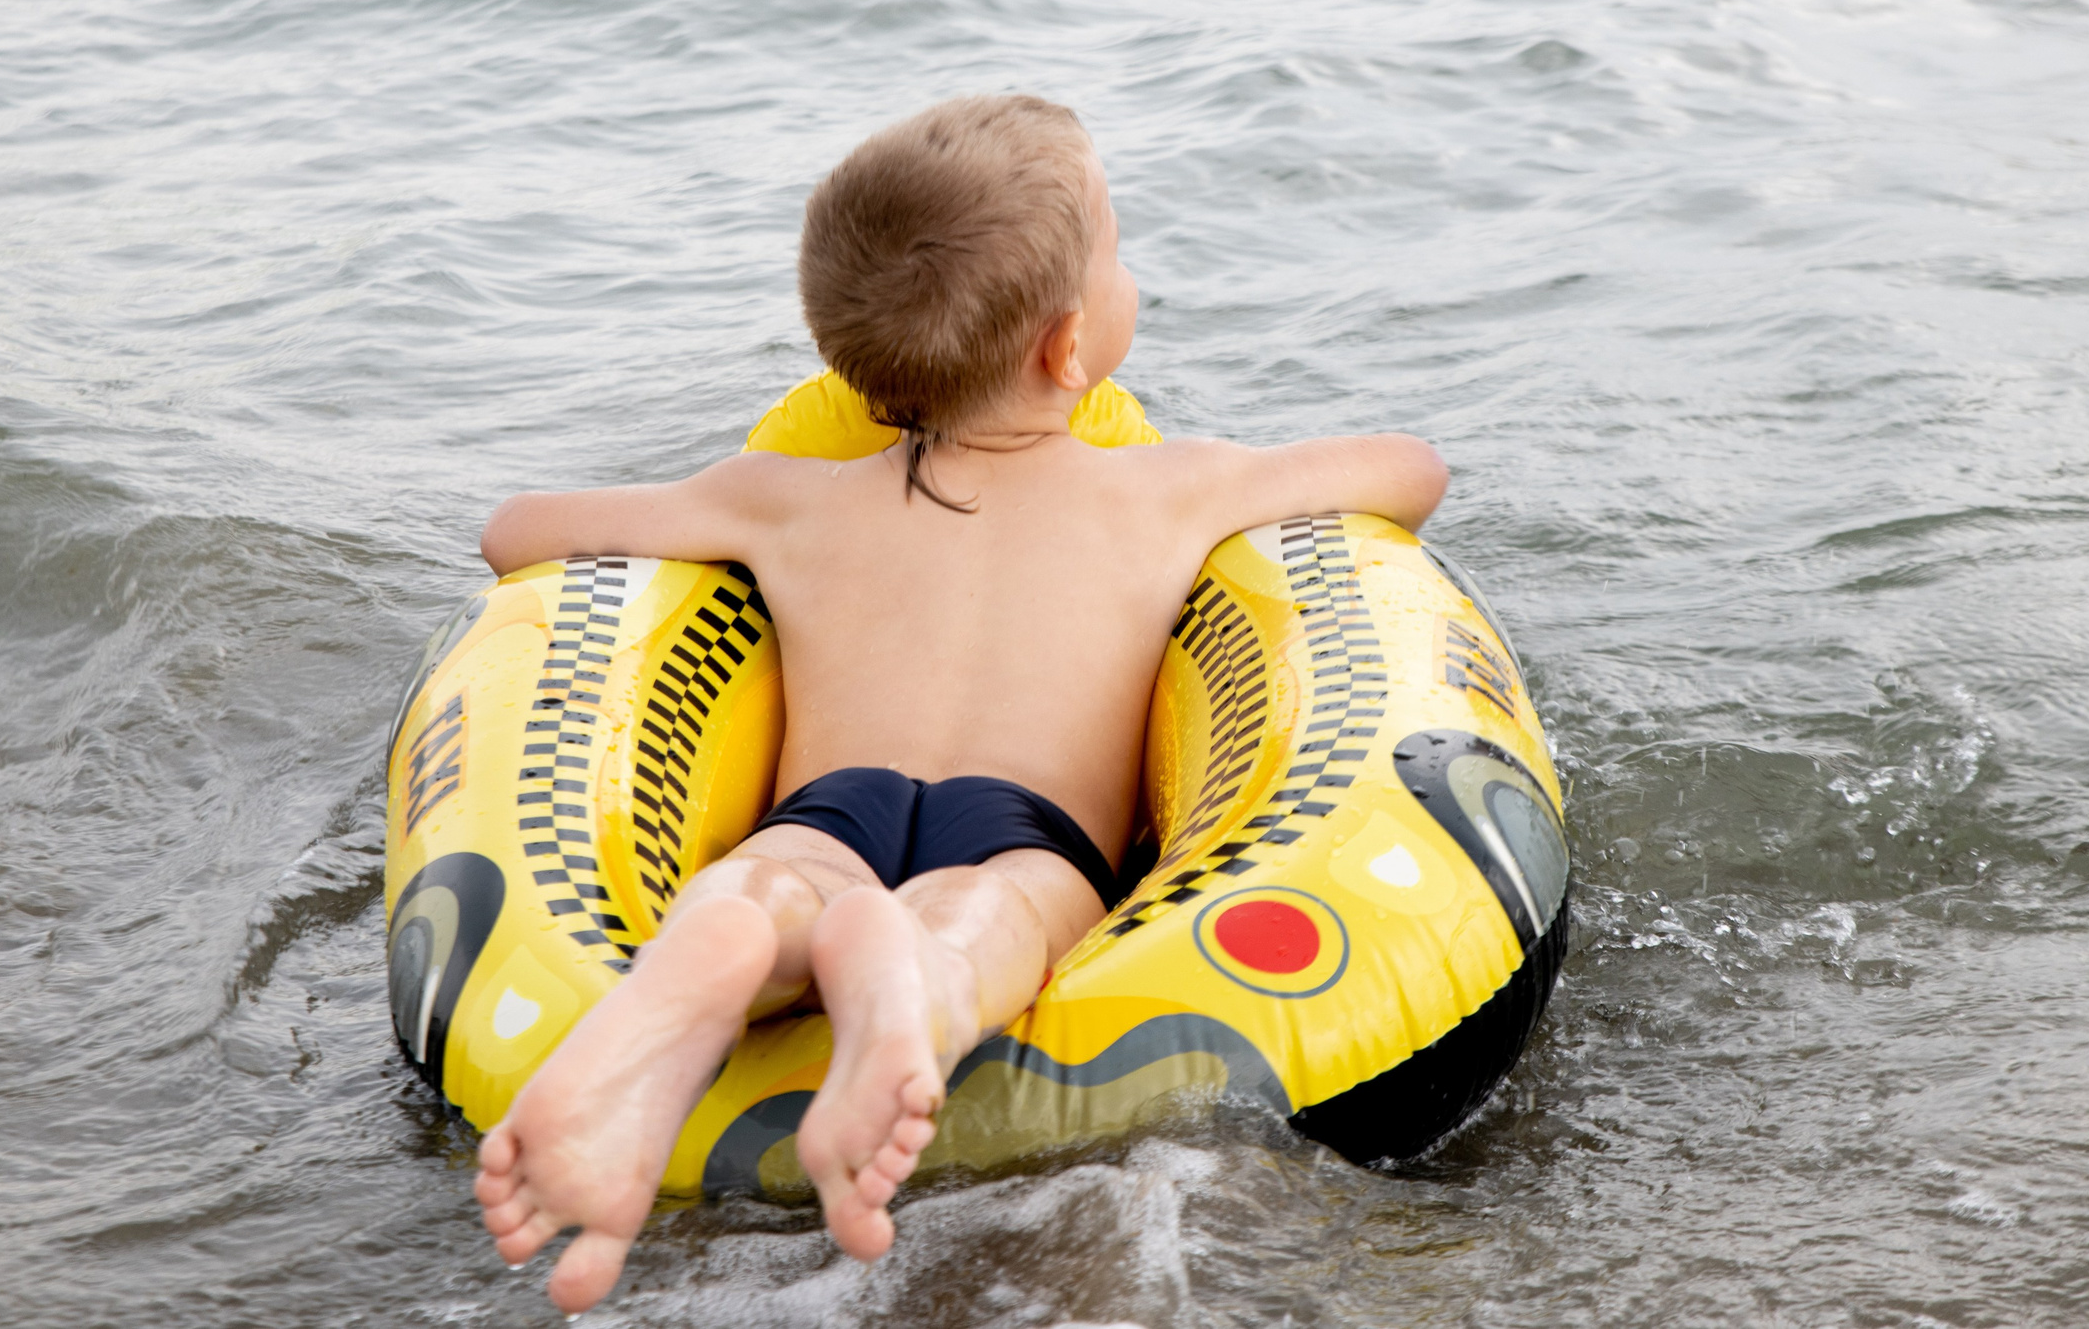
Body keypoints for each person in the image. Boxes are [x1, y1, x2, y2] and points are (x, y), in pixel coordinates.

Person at [469, 95, 1448, 1312]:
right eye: (1115, 252)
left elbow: (518, 533)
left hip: (829, 807)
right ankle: (915, 984)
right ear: (1066, 345)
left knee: (769, 880)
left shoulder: (783, 502)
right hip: (1025, 830)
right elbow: (1410, 470)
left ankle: (721, 946)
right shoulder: (1164, 494)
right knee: (988, 915)